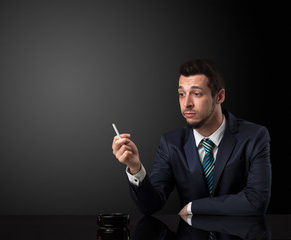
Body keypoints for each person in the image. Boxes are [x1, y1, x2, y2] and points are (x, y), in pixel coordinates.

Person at [112, 59, 271, 216]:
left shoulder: (254, 137)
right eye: (181, 94)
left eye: (196, 93)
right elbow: (150, 206)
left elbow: (256, 201)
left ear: (219, 96)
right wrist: (135, 168)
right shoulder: (171, 143)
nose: (186, 103)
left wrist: (193, 207)